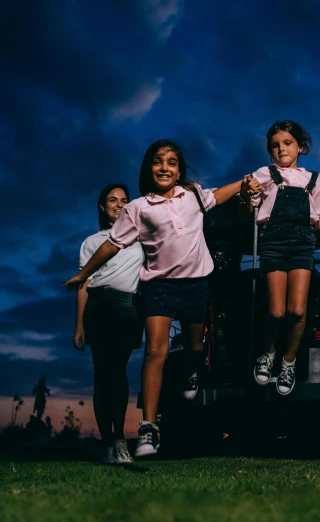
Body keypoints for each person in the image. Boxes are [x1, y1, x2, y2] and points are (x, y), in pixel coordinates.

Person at [64, 140, 260, 458]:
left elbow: (220, 195)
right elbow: (112, 244)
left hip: (196, 285)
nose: (164, 167)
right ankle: (148, 429)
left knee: (195, 346)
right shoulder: (138, 208)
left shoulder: (194, 194)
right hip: (159, 287)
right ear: (149, 168)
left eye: (171, 162)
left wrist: (244, 183)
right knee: (156, 350)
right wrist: (83, 274)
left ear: (179, 169)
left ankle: (191, 371)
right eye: (158, 161)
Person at [243, 120, 320, 396]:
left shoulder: (313, 180)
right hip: (272, 241)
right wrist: (246, 192)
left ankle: (288, 361)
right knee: (277, 310)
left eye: (287, 143)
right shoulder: (265, 174)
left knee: (297, 310)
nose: (281, 149)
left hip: (302, 243)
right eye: (275, 145)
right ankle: (268, 353)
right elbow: (250, 205)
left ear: (300, 146)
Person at [72, 184, 144, 465]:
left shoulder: (140, 239)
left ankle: (119, 440)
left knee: (118, 371)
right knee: (102, 374)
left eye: (124, 200)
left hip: (128, 307)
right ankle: (108, 444)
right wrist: (79, 325)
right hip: (98, 306)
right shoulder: (91, 242)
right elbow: (83, 284)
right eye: (112, 200)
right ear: (102, 206)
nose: (118, 204)